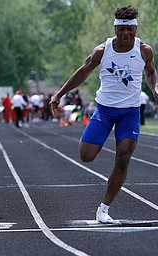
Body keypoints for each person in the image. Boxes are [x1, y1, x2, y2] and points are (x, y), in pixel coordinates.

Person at [49, 6, 158, 223]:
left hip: (130, 112)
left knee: (124, 157)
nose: (126, 33)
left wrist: (155, 87)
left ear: (135, 29)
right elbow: (82, 72)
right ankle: (98, 141)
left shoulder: (144, 50)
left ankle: (104, 209)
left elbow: (151, 72)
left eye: (130, 29)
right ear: (115, 29)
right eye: (122, 29)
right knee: (86, 156)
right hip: (105, 110)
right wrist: (59, 93)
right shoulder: (103, 51)